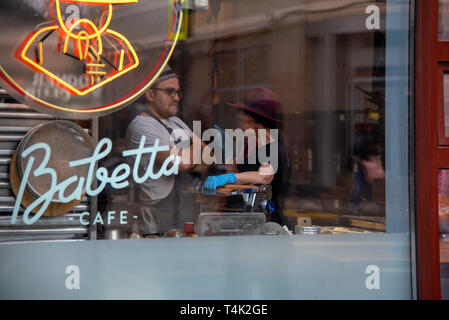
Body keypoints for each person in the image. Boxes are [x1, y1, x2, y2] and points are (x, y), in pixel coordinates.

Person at [125, 65, 209, 236]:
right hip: (157, 220)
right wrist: (197, 145)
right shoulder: (143, 126)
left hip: (181, 210)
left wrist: (191, 154)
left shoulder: (176, 122)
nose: (176, 98)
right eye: (170, 92)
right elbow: (182, 163)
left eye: (177, 92)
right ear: (150, 94)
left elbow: (208, 159)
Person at [203, 86, 290, 226]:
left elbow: (265, 176)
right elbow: (244, 183)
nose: (241, 127)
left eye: (244, 122)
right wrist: (232, 168)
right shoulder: (252, 147)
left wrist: (229, 177)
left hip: (265, 224)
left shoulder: (274, 148)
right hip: (244, 221)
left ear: (256, 123)